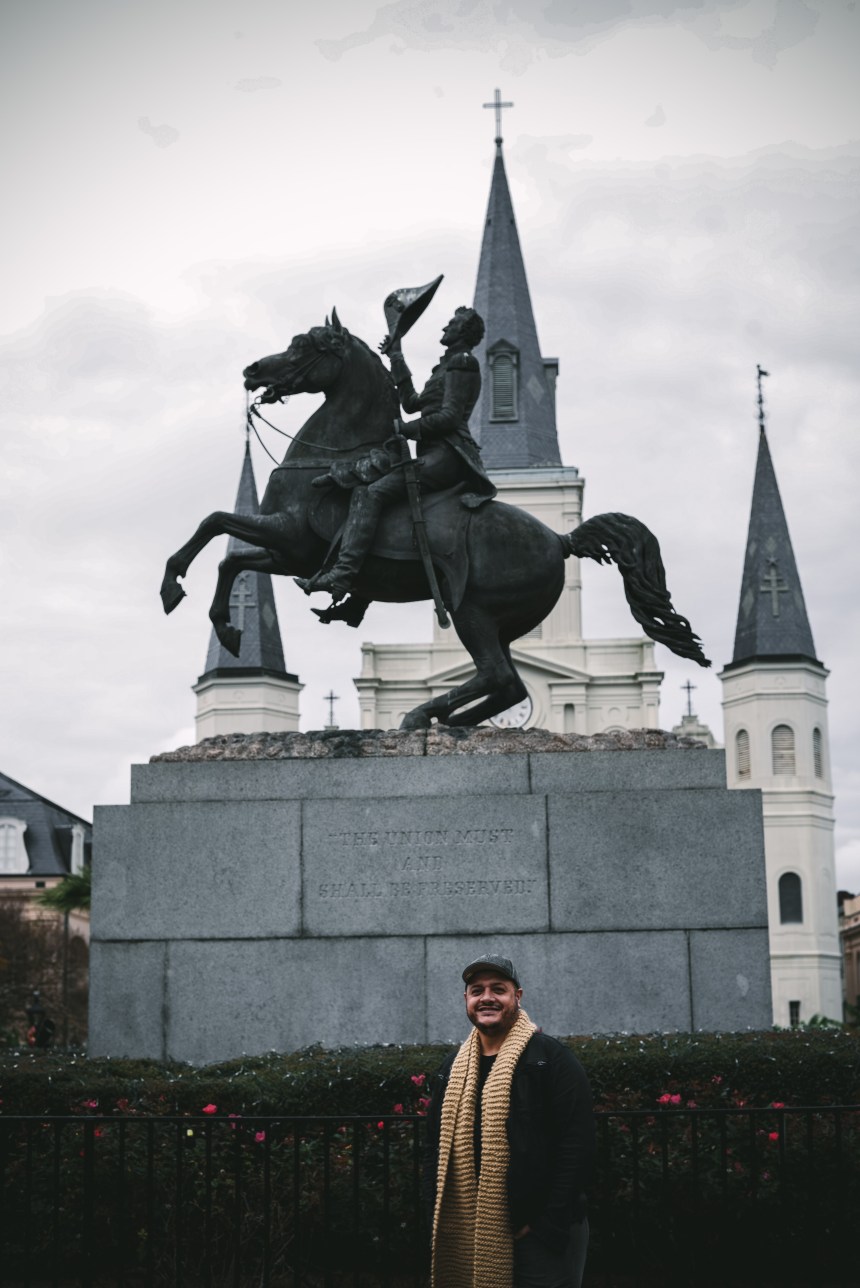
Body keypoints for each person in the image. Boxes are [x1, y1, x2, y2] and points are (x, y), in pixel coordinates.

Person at [295, 306, 495, 600]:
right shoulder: (445, 366)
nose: (444, 329)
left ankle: (344, 573)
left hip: (448, 455)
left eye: (451, 324)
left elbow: (450, 418)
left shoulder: (462, 363)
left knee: (372, 493)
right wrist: (396, 355)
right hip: (431, 453)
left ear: (463, 332)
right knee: (371, 485)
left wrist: (405, 429)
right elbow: (413, 402)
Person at [423, 953, 595, 1288]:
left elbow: (578, 1145)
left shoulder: (550, 1060)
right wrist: (436, 1215)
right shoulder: (450, 1070)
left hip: (542, 1234)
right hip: (471, 1233)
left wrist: (546, 1224)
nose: (486, 997)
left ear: (517, 996)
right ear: (466, 1001)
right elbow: (433, 1151)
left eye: (498, 989)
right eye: (477, 990)